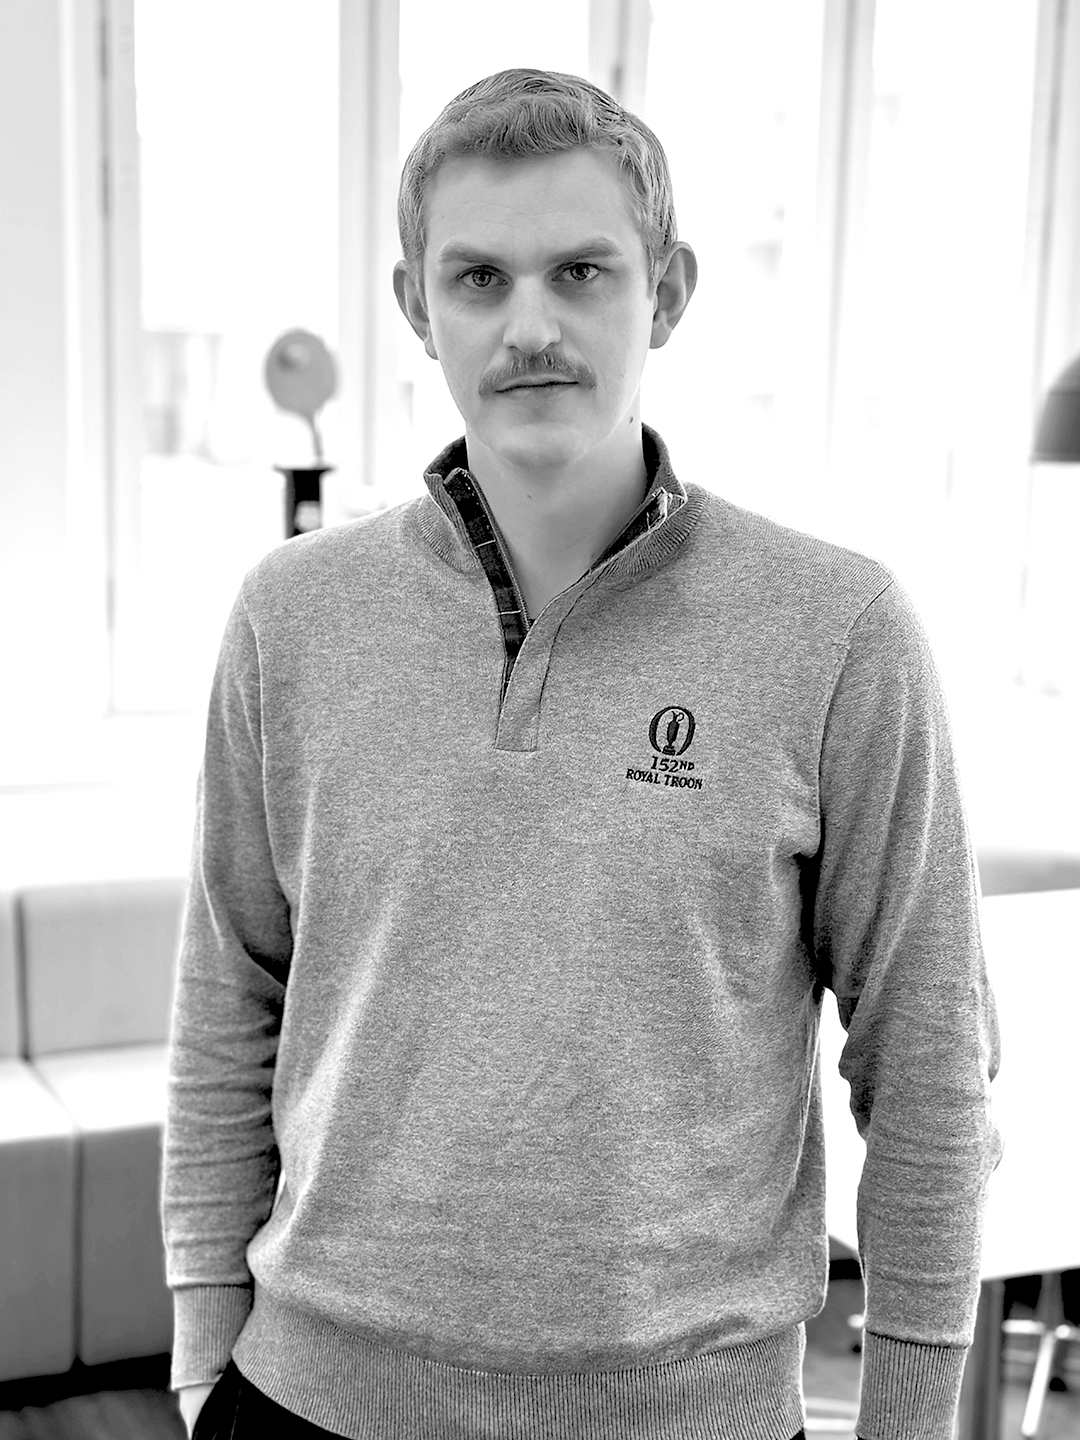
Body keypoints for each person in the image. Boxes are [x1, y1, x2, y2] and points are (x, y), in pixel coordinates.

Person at [162, 68, 1002, 1440]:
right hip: (305, 1400)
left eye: (582, 271)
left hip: (691, 1417)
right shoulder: (290, 618)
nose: (530, 327)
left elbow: (928, 1059)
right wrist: (204, 1353)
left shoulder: (838, 629)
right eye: (479, 278)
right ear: (416, 305)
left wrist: (907, 1419)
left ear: (667, 292)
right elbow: (226, 1001)